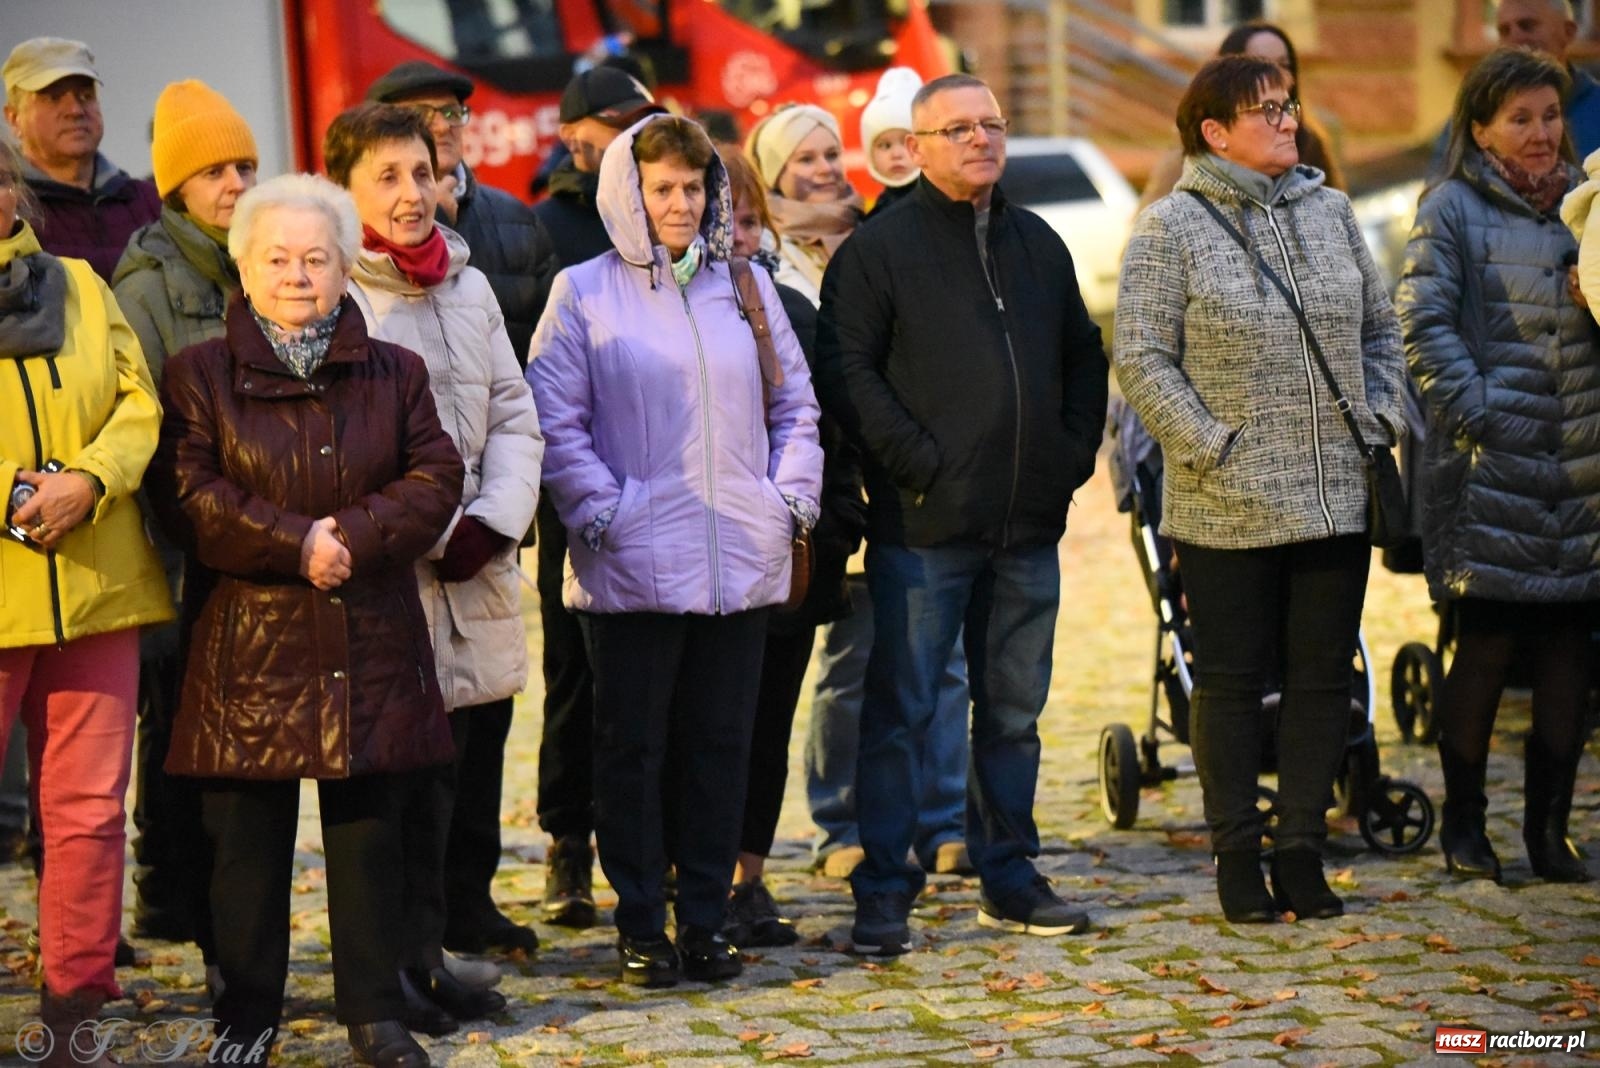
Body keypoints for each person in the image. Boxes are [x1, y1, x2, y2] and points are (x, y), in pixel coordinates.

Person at [147, 172, 464, 1068]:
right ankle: (247, 1012)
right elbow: (188, 497)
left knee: (370, 837)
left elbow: (436, 476)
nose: (297, 275)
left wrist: (350, 540)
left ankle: (374, 1009)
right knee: (244, 847)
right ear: (244, 270)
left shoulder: (395, 371)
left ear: (343, 267)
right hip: (249, 644)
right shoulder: (198, 374)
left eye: (316, 258)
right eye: (277, 259)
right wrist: (295, 545)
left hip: (368, 630)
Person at [814, 73, 1107, 954]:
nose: (980, 140)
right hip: (924, 530)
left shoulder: (1039, 244)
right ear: (916, 146)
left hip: (1027, 528)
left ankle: (1009, 875)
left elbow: (1084, 359)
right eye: (957, 129)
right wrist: (919, 466)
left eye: (991, 125)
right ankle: (884, 891)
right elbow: (847, 371)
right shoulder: (880, 250)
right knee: (900, 714)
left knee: (1013, 714)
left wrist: (1065, 460)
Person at [527, 113, 822, 986]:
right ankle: (640, 924)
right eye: (663, 188)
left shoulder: (747, 288)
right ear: (631, 191)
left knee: (719, 744)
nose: (681, 204)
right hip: (632, 566)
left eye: (694, 187)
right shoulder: (583, 291)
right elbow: (555, 416)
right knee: (632, 749)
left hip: (737, 559)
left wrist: (786, 500)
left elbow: (795, 407)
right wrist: (603, 512)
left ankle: (704, 919)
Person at [1116, 55, 1408, 923]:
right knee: (1233, 683)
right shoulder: (1172, 227)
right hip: (1227, 501)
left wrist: (1378, 421)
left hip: (1334, 496)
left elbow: (1382, 330)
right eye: (1267, 110)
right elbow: (1140, 356)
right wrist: (1211, 446)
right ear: (1215, 131)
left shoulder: (1332, 212)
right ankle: (1238, 853)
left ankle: (1303, 849)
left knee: (1323, 678)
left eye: (1289, 106)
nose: (1288, 120)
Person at [324, 103, 542, 1017]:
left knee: (453, 777)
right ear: (345, 189)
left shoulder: (469, 283)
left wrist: (493, 521)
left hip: (473, 569)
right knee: (393, 788)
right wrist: (429, 528)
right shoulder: (338, 292)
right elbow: (341, 449)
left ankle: (432, 952)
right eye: (387, 177)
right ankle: (388, 976)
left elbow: (515, 413)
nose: (414, 194)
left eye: (424, 173)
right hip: (391, 580)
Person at [748, 99, 972, 882]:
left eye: (828, 155)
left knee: (935, 663)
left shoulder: (876, 238)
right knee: (848, 664)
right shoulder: (764, 259)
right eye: (802, 159)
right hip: (828, 495)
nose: (822, 170)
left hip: (903, 485)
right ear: (772, 173)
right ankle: (836, 822)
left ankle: (942, 817)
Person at [1401, 46, 1598, 885]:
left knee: (1569, 651)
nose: (1540, 133)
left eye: (1550, 115)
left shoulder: (1588, 210)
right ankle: (1466, 827)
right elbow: (1424, 325)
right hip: (1491, 466)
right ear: (1480, 128)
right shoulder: (1451, 206)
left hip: (1584, 465)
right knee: (1484, 645)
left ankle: (1549, 833)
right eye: (1519, 118)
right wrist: (1481, 413)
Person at [0, 130, 171, 1068]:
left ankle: (76, 991)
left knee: (89, 810)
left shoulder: (77, 285)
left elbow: (137, 400)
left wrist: (90, 482)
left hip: (97, 585)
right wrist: (15, 501)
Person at [110, 80, 257, 966]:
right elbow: (150, 436)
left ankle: (199, 907)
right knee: (180, 745)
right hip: (182, 554)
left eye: (244, 164)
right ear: (176, 186)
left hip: (249, 546)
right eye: (214, 170)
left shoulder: (254, 260)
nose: (237, 182)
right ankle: (178, 902)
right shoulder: (149, 284)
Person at [719, 150, 865, 946]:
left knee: (769, 723)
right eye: (725, 219)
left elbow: (832, 434)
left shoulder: (795, 312)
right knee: (707, 726)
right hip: (698, 561)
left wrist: (831, 525)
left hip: (787, 556)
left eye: (749, 221)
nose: (737, 236)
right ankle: (693, 875)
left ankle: (749, 877)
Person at [530, 64, 662, 932]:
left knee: (661, 681)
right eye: (613, 126)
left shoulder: (672, 212)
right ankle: (567, 843)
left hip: (667, 476)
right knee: (575, 674)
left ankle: (661, 847)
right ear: (576, 133)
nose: (628, 138)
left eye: (638, 124)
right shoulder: (548, 228)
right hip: (575, 479)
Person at [366, 59, 560, 363]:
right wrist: (435, 219)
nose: (443, 126)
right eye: (421, 114)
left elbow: (554, 354)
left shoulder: (518, 220)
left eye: (451, 112)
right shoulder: (355, 227)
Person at [1139, 20, 1343, 210]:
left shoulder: (1308, 142)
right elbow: (1147, 235)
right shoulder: (1189, 161)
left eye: (1284, 66)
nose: (1276, 77)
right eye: (1261, 64)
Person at [2, 38, 159, 280]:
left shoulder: (150, 202)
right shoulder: (11, 213)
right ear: (13, 118)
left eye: (85, 95)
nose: (75, 110)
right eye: (53, 98)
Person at [860, 67, 924, 219]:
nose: (896, 154)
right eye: (885, 145)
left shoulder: (947, 205)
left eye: (908, 143)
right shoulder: (873, 216)